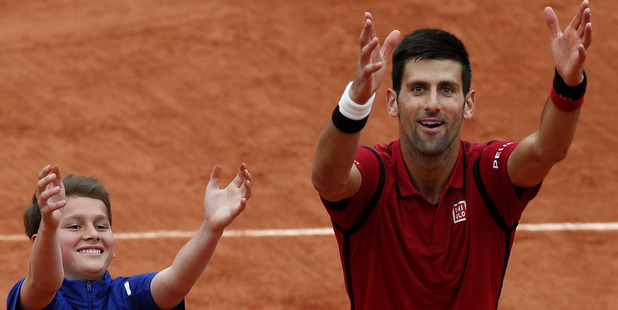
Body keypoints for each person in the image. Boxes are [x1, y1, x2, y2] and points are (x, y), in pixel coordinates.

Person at [311, 1, 591, 309]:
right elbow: (329, 179)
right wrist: (356, 101)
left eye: (446, 89)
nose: (432, 104)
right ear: (392, 102)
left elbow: (545, 150)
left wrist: (568, 85)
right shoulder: (374, 176)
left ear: (468, 103)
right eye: (418, 89)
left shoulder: (489, 176)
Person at [7, 163, 252, 309]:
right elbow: (44, 283)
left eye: (102, 227)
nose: (92, 234)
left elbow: (176, 282)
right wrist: (49, 226)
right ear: (40, 244)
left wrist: (211, 228)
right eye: (74, 226)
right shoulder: (38, 298)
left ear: (114, 248)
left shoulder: (130, 296)